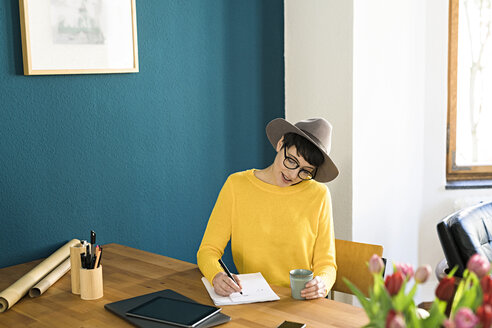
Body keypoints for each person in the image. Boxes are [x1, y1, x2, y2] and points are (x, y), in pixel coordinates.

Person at [197, 117, 339, 299]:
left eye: (305, 171)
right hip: (251, 299)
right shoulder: (237, 185)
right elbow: (208, 250)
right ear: (281, 144)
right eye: (291, 161)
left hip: (298, 300)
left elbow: (327, 264)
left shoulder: (319, 195)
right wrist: (216, 275)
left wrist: (322, 283)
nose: (293, 174)